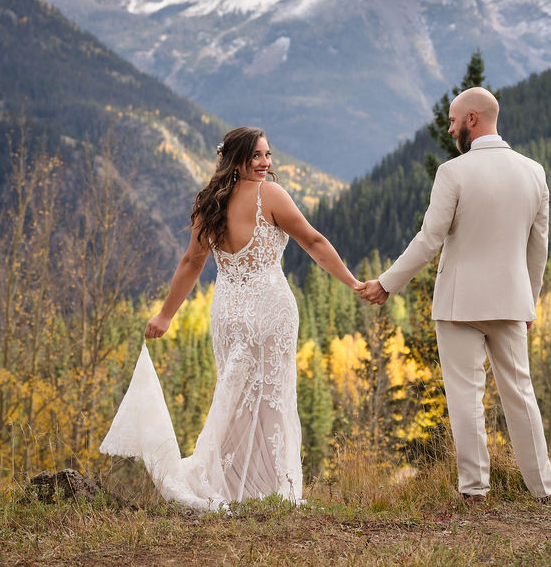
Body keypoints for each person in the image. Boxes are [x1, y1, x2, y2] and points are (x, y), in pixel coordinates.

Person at [100, 126, 360, 510]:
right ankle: (272, 487)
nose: (265, 163)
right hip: (270, 309)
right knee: (271, 397)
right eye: (256, 155)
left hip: (227, 311)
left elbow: (192, 261)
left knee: (234, 394)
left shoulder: (209, 201)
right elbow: (314, 242)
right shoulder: (270, 196)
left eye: (268, 155)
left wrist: (166, 314)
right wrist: (353, 283)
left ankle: (236, 483)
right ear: (235, 158)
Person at [357, 87, 551, 506]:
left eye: (453, 121)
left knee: (465, 397)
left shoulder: (453, 172)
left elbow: (428, 239)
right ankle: (544, 488)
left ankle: (474, 491)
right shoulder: (534, 172)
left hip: (458, 304)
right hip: (511, 301)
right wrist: (531, 301)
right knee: (520, 393)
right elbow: (537, 248)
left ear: (473, 119)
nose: (450, 129)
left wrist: (386, 283)